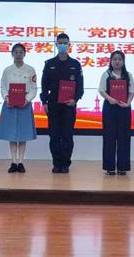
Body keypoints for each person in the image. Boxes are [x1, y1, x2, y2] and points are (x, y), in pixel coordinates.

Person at [40, 33, 84, 174]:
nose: (63, 45)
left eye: (65, 43)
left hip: (69, 106)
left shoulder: (75, 64)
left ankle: (65, 163)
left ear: (69, 45)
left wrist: (75, 99)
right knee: (54, 136)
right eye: (60, 43)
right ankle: (56, 163)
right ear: (56, 45)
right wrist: (44, 102)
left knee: (67, 136)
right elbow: (44, 85)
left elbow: (80, 87)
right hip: (53, 105)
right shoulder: (49, 64)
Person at [0, 43, 38, 173]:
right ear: (12, 54)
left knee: (23, 134)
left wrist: (27, 99)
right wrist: (6, 98)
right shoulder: (7, 70)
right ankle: (13, 162)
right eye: (16, 52)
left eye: (21, 52)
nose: (18, 54)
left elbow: (33, 88)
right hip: (10, 104)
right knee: (12, 135)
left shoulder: (30, 70)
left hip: (24, 104)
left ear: (24, 54)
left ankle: (21, 162)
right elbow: (3, 87)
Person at [98, 51, 134, 176]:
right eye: (114, 59)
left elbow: (132, 91)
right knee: (109, 137)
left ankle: (122, 167)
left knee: (124, 137)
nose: (117, 61)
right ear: (111, 61)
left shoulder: (128, 75)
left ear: (123, 61)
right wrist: (110, 99)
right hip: (110, 107)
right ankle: (109, 167)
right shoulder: (106, 74)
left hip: (124, 108)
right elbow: (101, 90)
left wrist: (128, 103)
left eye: (119, 59)